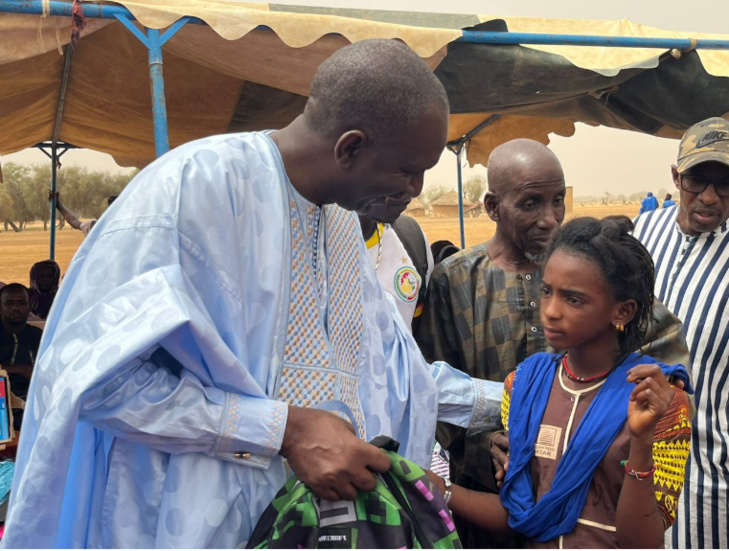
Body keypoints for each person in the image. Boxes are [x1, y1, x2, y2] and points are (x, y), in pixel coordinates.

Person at [2, 40, 503, 549]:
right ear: (349, 147)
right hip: (189, 527)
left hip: (311, 530)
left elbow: (393, 376)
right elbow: (92, 379)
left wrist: (513, 402)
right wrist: (281, 430)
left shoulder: (343, 224)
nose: (416, 189)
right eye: (407, 169)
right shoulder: (193, 189)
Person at [415, 139, 690, 549]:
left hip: (606, 492)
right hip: (493, 498)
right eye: (531, 204)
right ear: (492, 207)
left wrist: (641, 416)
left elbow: (662, 350)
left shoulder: (589, 267)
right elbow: (429, 393)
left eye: (558, 201)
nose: (550, 219)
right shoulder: (456, 280)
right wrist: (485, 443)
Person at [633, 116, 729, 550]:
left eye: (725, 183)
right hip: (630, 451)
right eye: (697, 180)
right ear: (676, 176)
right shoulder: (646, 231)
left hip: (708, 472)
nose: (710, 196)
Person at [357, 198, 433, 331]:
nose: (414, 190)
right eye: (398, 175)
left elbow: (419, 329)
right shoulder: (315, 245)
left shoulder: (410, 237)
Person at [0, 283, 42, 430]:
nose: (16, 308)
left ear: (29, 306)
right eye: (9, 303)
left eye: (21, 303)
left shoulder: (39, 337)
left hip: (33, 399)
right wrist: (21, 370)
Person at [49, 191, 118, 237]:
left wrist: (58, 204)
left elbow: (74, 221)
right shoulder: (95, 227)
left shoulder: (96, 227)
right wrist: (57, 204)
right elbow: (74, 221)